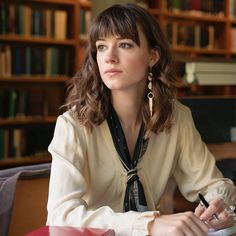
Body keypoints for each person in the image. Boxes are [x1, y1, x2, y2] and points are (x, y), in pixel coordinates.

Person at [46, 3, 236, 236]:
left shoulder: (176, 118)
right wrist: (148, 224)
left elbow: (212, 184)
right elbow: (60, 215)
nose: (110, 57)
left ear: (153, 56)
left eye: (124, 45)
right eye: (102, 47)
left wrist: (219, 203)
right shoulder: (73, 124)